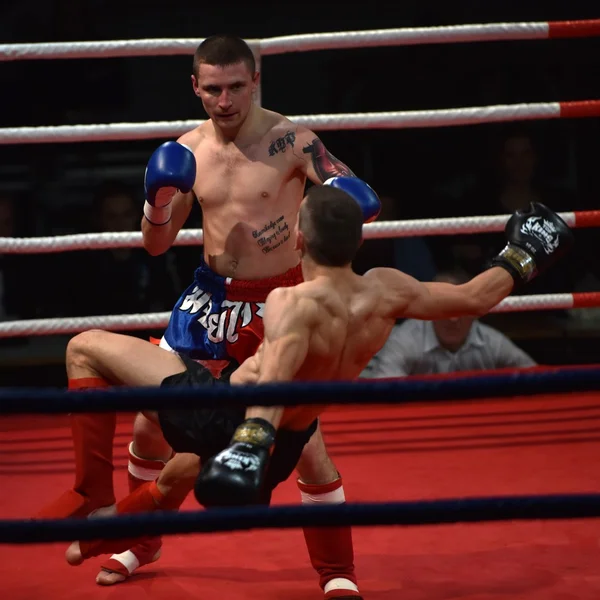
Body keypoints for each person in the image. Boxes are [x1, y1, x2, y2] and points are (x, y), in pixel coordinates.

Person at [62, 186, 572, 600]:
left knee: (85, 347)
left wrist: (248, 441)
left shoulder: (292, 301)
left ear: (300, 242)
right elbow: (474, 297)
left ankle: (93, 500)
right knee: (174, 479)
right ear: (358, 242)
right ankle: (106, 542)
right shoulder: (388, 290)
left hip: (228, 416)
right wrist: (522, 254)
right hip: (290, 436)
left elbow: (278, 370)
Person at [37, 34, 380, 597]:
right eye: (213, 89)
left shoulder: (292, 141)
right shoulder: (187, 151)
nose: (225, 100)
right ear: (195, 87)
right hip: (210, 299)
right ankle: (141, 541)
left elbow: (360, 196)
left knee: (304, 443)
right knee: (149, 424)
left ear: (256, 81)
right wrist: (157, 202)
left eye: (236, 87)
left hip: (277, 302)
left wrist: (345, 195)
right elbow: (155, 244)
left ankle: (335, 572)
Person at [361, 268, 537, 378]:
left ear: (476, 313)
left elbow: (536, 376)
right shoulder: (406, 340)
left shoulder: (491, 342)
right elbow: (384, 389)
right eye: (448, 309)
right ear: (432, 309)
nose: (453, 319)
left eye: (461, 310)